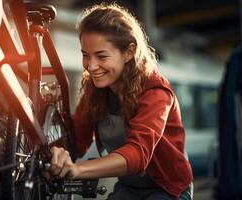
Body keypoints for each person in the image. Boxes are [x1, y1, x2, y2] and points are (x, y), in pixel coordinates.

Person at [50, 3, 193, 200]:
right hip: (130, 186)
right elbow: (76, 140)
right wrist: (59, 154)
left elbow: (138, 154)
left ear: (128, 52)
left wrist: (79, 169)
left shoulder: (156, 92)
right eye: (85, 55)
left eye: (101, 56)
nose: (91, 67)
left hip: (168, 188)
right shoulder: (95, 91)